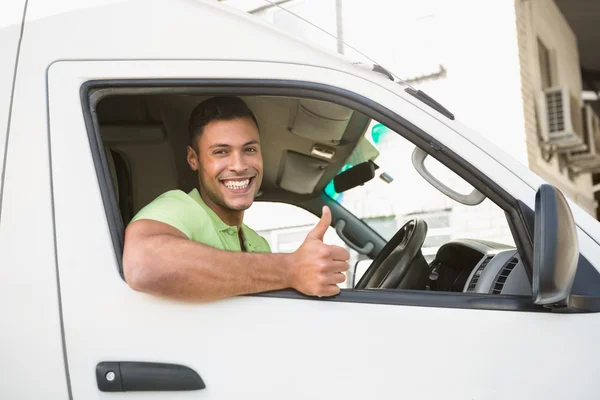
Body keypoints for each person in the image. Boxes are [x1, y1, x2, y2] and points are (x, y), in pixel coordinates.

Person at [123, 96, 350, 302]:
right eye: (221, 152)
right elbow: (143, 266)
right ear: (194, 159)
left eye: (249, 150)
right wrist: (289, 269)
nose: (239, 166)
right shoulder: (180, 208)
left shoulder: (258, 244)